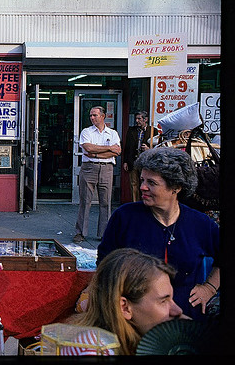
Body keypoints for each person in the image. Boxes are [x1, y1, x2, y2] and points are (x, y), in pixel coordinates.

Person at [97, 147, 220, 321]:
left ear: (176, 187)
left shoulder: (200, 224)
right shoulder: (124, 217)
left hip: (183, 320)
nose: (142, 187)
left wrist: (209, 288)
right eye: (142, 180)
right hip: (133, 321)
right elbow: (104, 263)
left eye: (152, 183)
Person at [70, 248, 184, 355]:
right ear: (124, 307)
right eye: (163, 301)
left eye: (171, 299)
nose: (178, 310)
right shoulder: (94, 352)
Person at [74, 106, 121, 243]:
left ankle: (104, 233)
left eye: (95, 115)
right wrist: (108, 148)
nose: (92, 118)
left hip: (107, 168)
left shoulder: (112, 133)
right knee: (85, 201)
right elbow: (88, 147)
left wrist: (95, 154)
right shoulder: (86, 132)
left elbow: (117, 151)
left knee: (106, 202)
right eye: (90, 115)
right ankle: (80, 232)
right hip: (89, 168)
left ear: (103, 116)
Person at [122, 111, 156, 202]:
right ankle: (135, 204)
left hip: (146, 162)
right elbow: (127, 146)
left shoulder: (153, 130)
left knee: (145, 183)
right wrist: (125, 161)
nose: (137, 121)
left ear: (145, 119)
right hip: (133, 160)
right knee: (134, 184)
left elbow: (158, 147)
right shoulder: (132, 130)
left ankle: (144, 203)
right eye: (136, 119)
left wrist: (149, 149)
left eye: (139, 119)